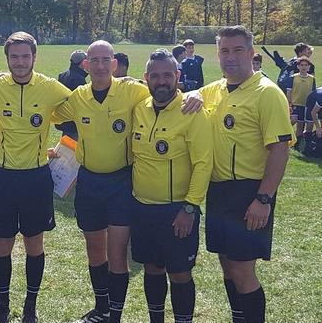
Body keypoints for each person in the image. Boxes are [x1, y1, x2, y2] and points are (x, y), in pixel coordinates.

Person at [53, 41, 203, 323]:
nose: (99, 65)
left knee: (118, 251)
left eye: (105, 59)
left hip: (121, 183)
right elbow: (51, 112)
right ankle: (102, 308)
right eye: (93, 60)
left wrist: (197, 93)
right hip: (88, 181)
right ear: (85, 64)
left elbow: (168, 91)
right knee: (95, 249)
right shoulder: (78, 96)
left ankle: (115, 315)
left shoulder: (134, 90)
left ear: (114, 63)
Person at [0, 32, 72, 323]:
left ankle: (31, 306)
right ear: (7, 59)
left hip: (35, 178)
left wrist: (125, 82)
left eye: (24, 56)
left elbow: (83, 102)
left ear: (34, 57)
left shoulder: (49, 87)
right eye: (14, 57)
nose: (19, 62)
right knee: (2, 244)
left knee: (34, 244)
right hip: (2, 177)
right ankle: (2, 306)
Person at [199, 26, 294, 323]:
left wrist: (263, 198)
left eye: (238, 50)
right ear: (217, 55)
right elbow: (180, 97)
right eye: (224, 51)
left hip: (250, 193)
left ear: (252, 54)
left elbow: (280, 149)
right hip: (218, 190)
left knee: (242, 269)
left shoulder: (267, 93)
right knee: (227, 264)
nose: (230, 57)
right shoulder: (214, 89)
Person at [130, 48, 212, 323]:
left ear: (178, 76)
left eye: (167, 75)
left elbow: (203, 163)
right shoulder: (139, 108)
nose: (161, 81)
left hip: (178, 210)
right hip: (142, 207)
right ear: (146, 79)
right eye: (155, 76)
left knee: (179, 272)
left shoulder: (192, 110)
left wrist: (189, 208)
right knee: (152, 267)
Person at [56, 50, 88, 141]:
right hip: (74, 125)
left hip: (64, 121)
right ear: (82, 63)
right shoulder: (79, 80)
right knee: (71, 152)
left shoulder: (62, 75)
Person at [286, 57, 316, 150]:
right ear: (298, 67)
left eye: (306, 65)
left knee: (300, 126)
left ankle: (296, 144)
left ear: (309, 67)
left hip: (306, 106)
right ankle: (283, 133)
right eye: (301, 65)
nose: (303, 67)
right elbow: (289, 91)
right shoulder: (293, 77)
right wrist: (289, 103)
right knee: (293, 120)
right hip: (295, 104)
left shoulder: (312, 79)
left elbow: (313, 93)